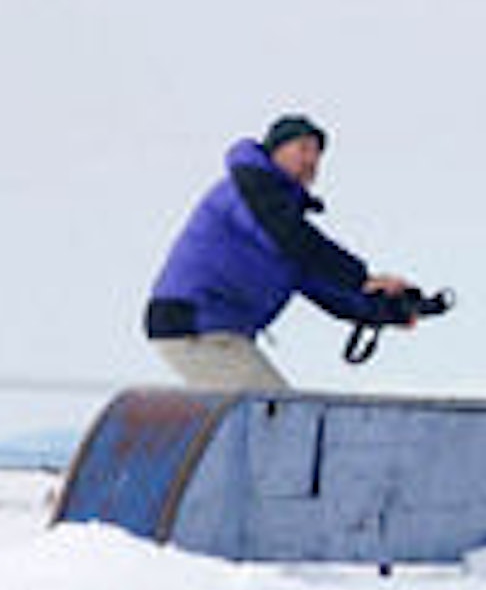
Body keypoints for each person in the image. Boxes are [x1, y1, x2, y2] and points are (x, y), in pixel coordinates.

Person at [144, 114, 443, 389]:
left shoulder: (282, 218)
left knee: (271, 416)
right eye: (303, 148)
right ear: (275, 151)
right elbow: (296, 240)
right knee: (274, 414)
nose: (311, 159)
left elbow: (319, 280)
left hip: (215, 328)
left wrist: (388, 309)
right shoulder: (248, 191)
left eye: (317, 153)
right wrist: (359, 277)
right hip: (194, 323)